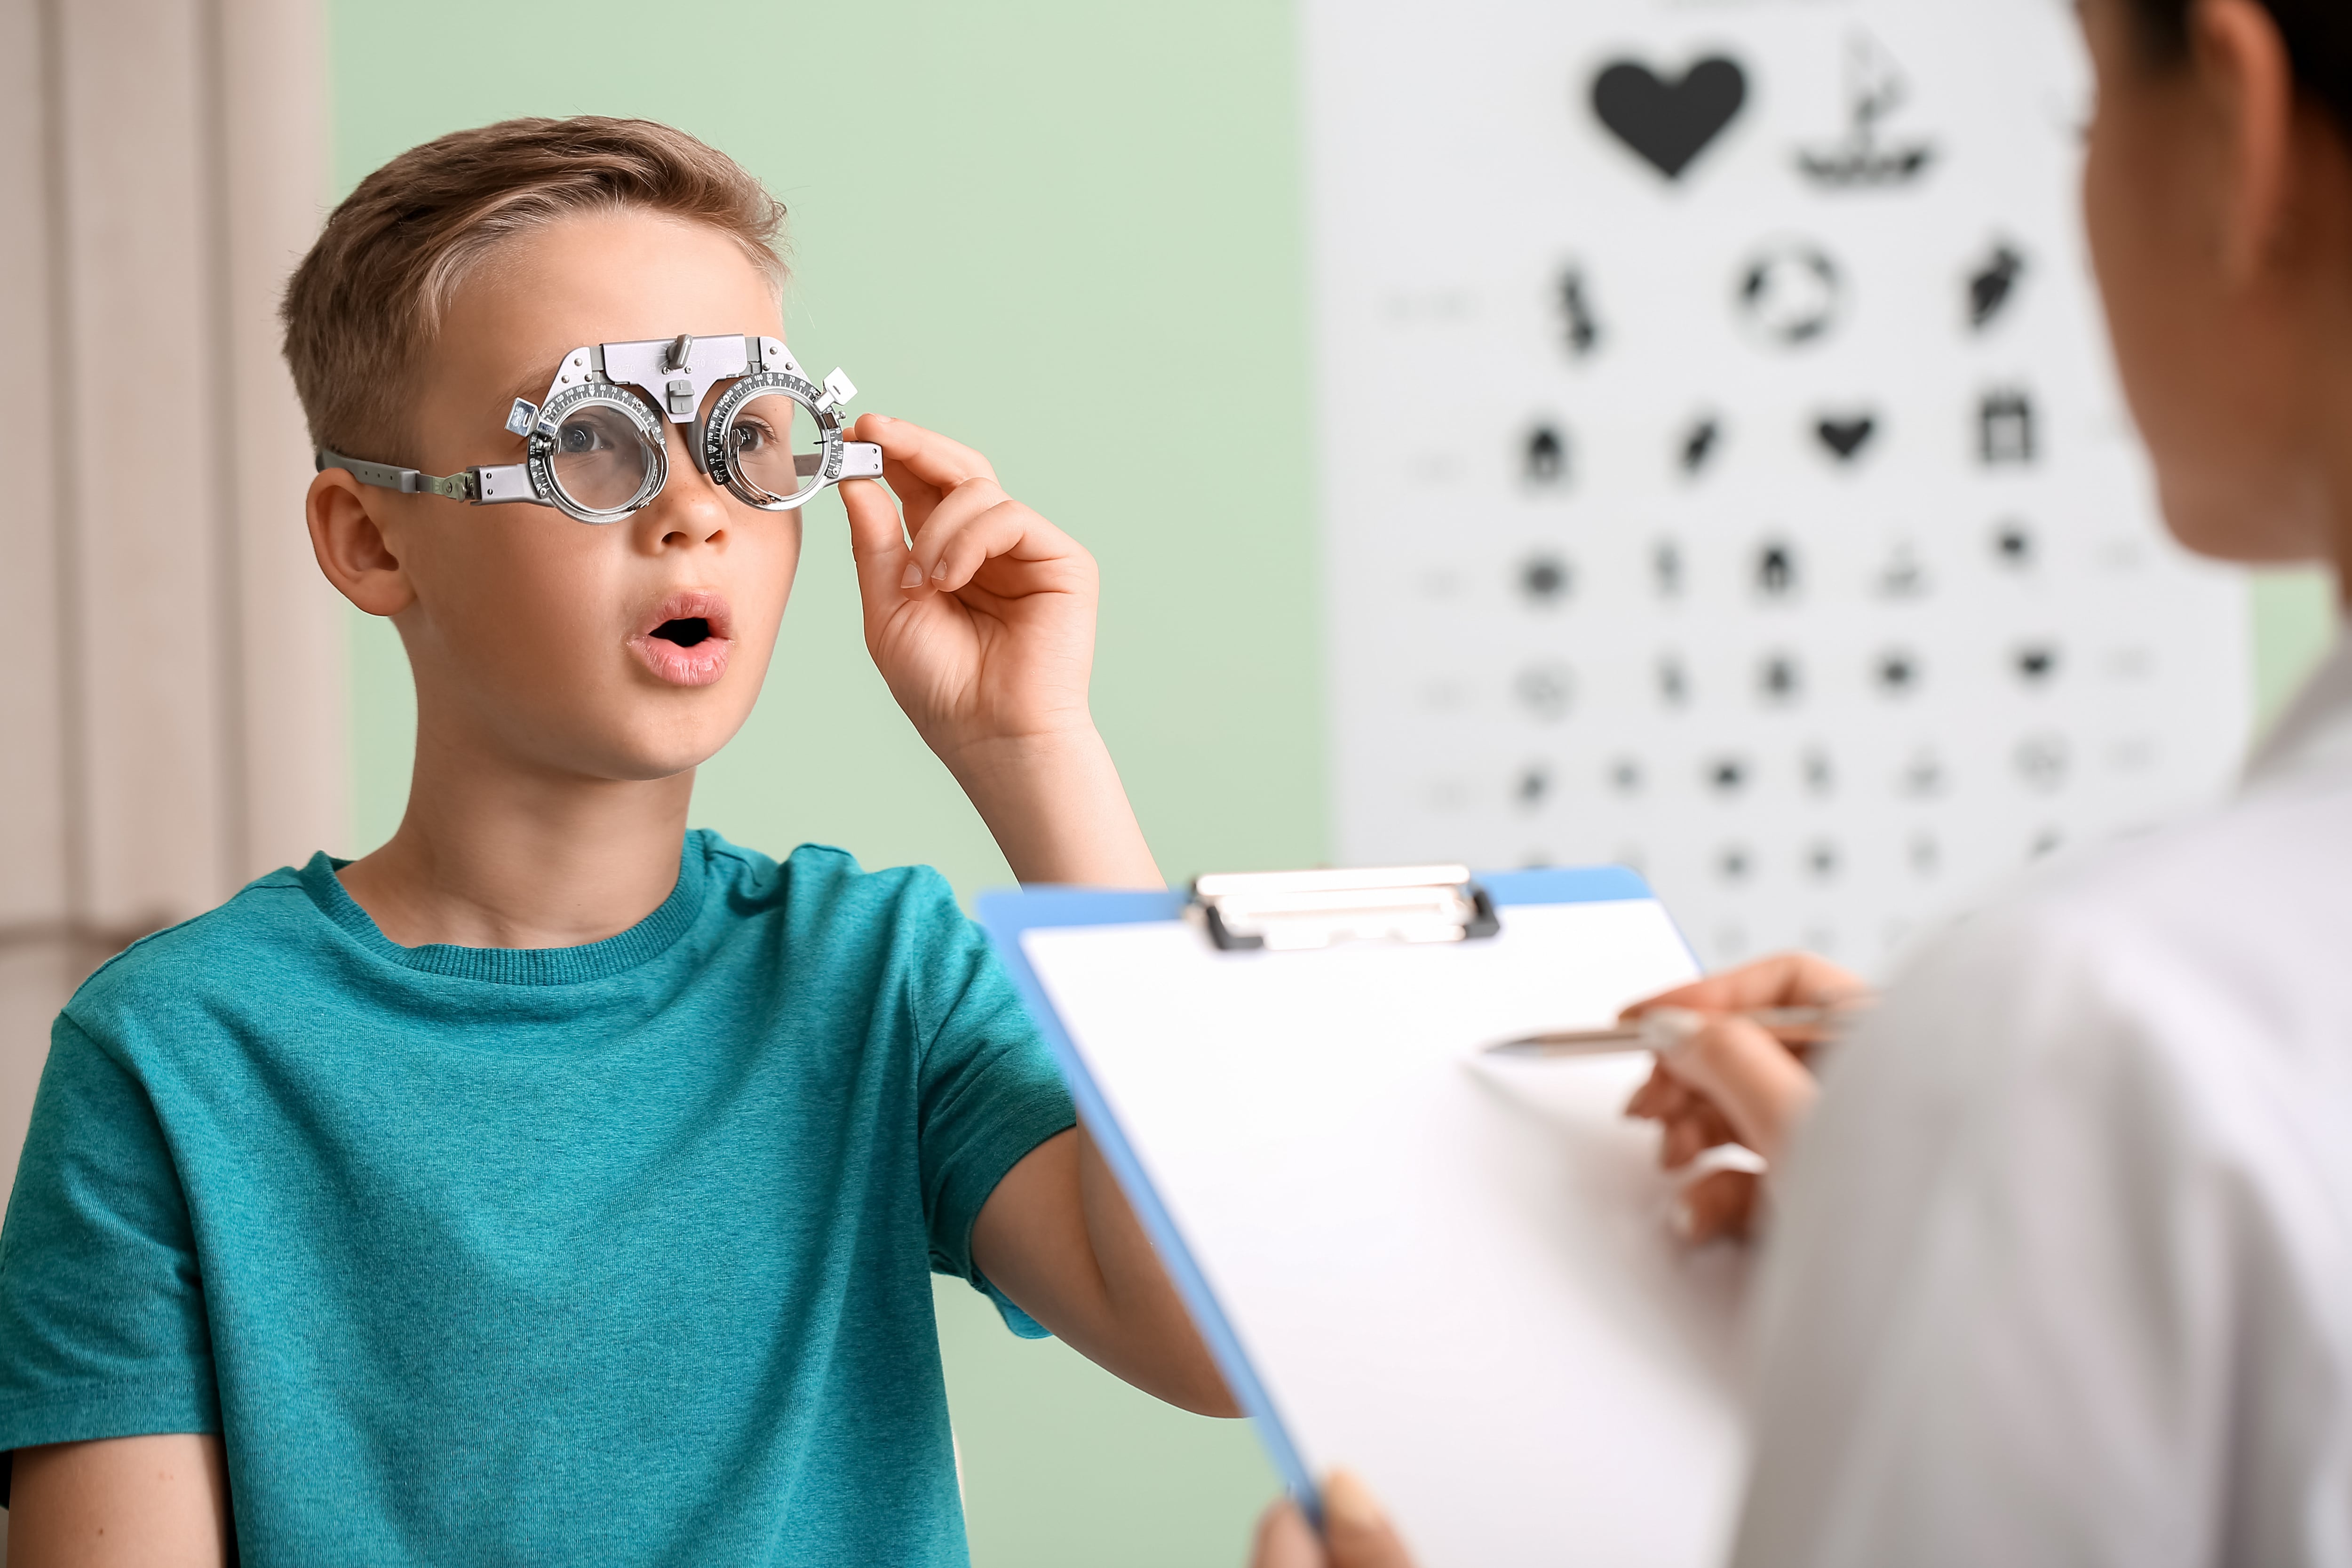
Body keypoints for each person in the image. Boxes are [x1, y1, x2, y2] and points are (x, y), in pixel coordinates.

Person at [0, 118, 1232, 1564]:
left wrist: (1034, 752)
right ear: (372, 541)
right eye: (591, 444)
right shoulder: (179, 1054)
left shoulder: (875, 977)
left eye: (745, 440)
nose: (693, 512)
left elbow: (1215, 1340)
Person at [1255, 0, 2352, 1560]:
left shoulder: (2094, 1035)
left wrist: (1992, 1161)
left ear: (2238, 127)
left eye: (2088, 112)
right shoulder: (2095, 1062)